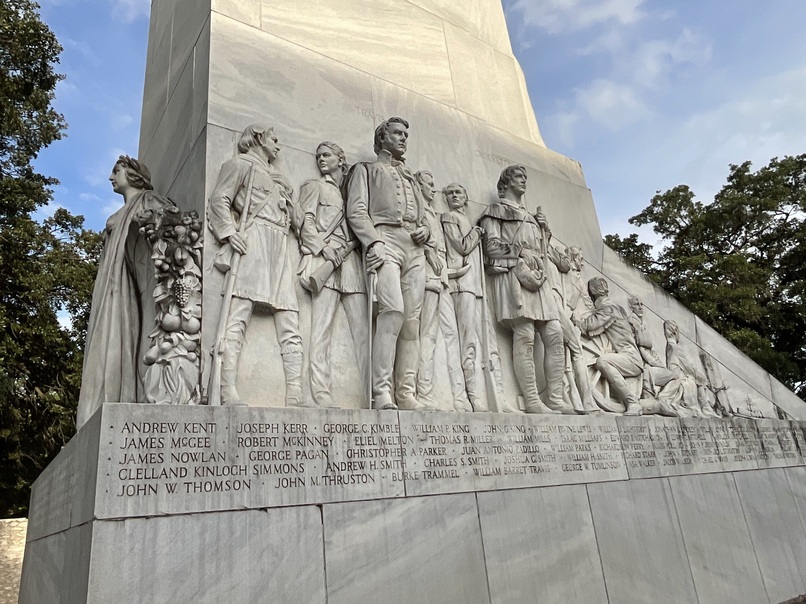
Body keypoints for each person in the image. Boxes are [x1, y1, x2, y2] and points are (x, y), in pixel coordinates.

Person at [207, 123, 304, 407]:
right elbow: (219, 199)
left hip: (279, 245)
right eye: (274, 139)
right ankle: (227, 389)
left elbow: (297, 223)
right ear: (260, 138)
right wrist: (228, 232)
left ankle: (295, 392)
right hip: (255, 238)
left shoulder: (280, 179)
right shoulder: (240, 164)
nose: (278, 145)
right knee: (236, 316)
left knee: (290, 318)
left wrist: (291, 205)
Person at [76, 156, 174, 429]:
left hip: (132, 286)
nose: (111, 177)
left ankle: (127, 395)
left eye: (116, 171)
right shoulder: (115, 217)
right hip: (112, 285)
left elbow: (170, 223)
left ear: (133, 174)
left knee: (129, 336)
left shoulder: (149, 200)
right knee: (108, 337)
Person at [346, 117, 431, 411]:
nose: (403, 138)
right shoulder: (365, 170)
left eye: (406, 134)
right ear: (383, 137)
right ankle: (381, 391)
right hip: (385, 239)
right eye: (397, 133)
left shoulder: (410, 179)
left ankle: (406, 392)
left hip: (414, 248)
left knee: (412, 323)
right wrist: (374, 241)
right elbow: (356, 211)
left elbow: (423, 217)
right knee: (392, 311)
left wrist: (426, 230)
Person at [478, 165, 573, 415]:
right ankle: (532, 400)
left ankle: (555, 398)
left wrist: (546, 233)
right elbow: (491, 247)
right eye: (519, 177)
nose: (524, 181)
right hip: (513, 278)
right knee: (526, 334)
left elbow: (544, 253)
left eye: (525, 177)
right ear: (507, 182)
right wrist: (521, 253)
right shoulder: (495, 211)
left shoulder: (532, 217)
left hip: (539, 281)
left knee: (554, 333)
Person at [298, 142, 368, 408]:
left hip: (351, 266)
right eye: (317, 156)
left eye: (326, 155)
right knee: (321, 331)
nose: (320, 159)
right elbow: (304, 222)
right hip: (326, 261)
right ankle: (321, 392)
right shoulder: (314, 186)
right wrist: (323, 248)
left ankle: (368, 392)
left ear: (341, 158)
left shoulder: (353, 194)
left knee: (363, 333)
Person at [441, 182, 510, 412]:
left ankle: (496, 395)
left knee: (485, 343)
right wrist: (477, 233)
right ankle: (472, 396)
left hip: (476, 288)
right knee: (467, 341)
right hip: (461, 286)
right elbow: (461, 247)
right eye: (449, 193)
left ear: (466, 196)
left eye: (458, 192)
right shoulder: (449, 217)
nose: (453, 196)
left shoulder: (466, 221)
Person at [415, 171, 471, 411]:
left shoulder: (434, 214)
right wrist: (428, 253)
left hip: (442, 280)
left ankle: (460, 397)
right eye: (428, 184)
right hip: (426, 278)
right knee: (426, 337)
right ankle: (424, 393)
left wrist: (449, 272)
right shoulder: (416, 210)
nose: (432, 188)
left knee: (451, 337)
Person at [576, 277, 643, 415]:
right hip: (629, 357)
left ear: (593, 291)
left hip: (630, 359)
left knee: (602, 361)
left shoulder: (608, 309)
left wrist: (574, 321)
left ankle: (632, 402)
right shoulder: (616, 307)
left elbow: (589, 326)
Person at [545, 243, 599, 414]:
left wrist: (583, 318)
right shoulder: (559, 265)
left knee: (574, 354)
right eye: (580, 259)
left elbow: (588, 304)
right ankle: (584, 401)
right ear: (573, 258)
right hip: (558, 310)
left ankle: (583, 400)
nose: (582, 264)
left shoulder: (578, 279)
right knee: (575, 353)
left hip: (571, 317)